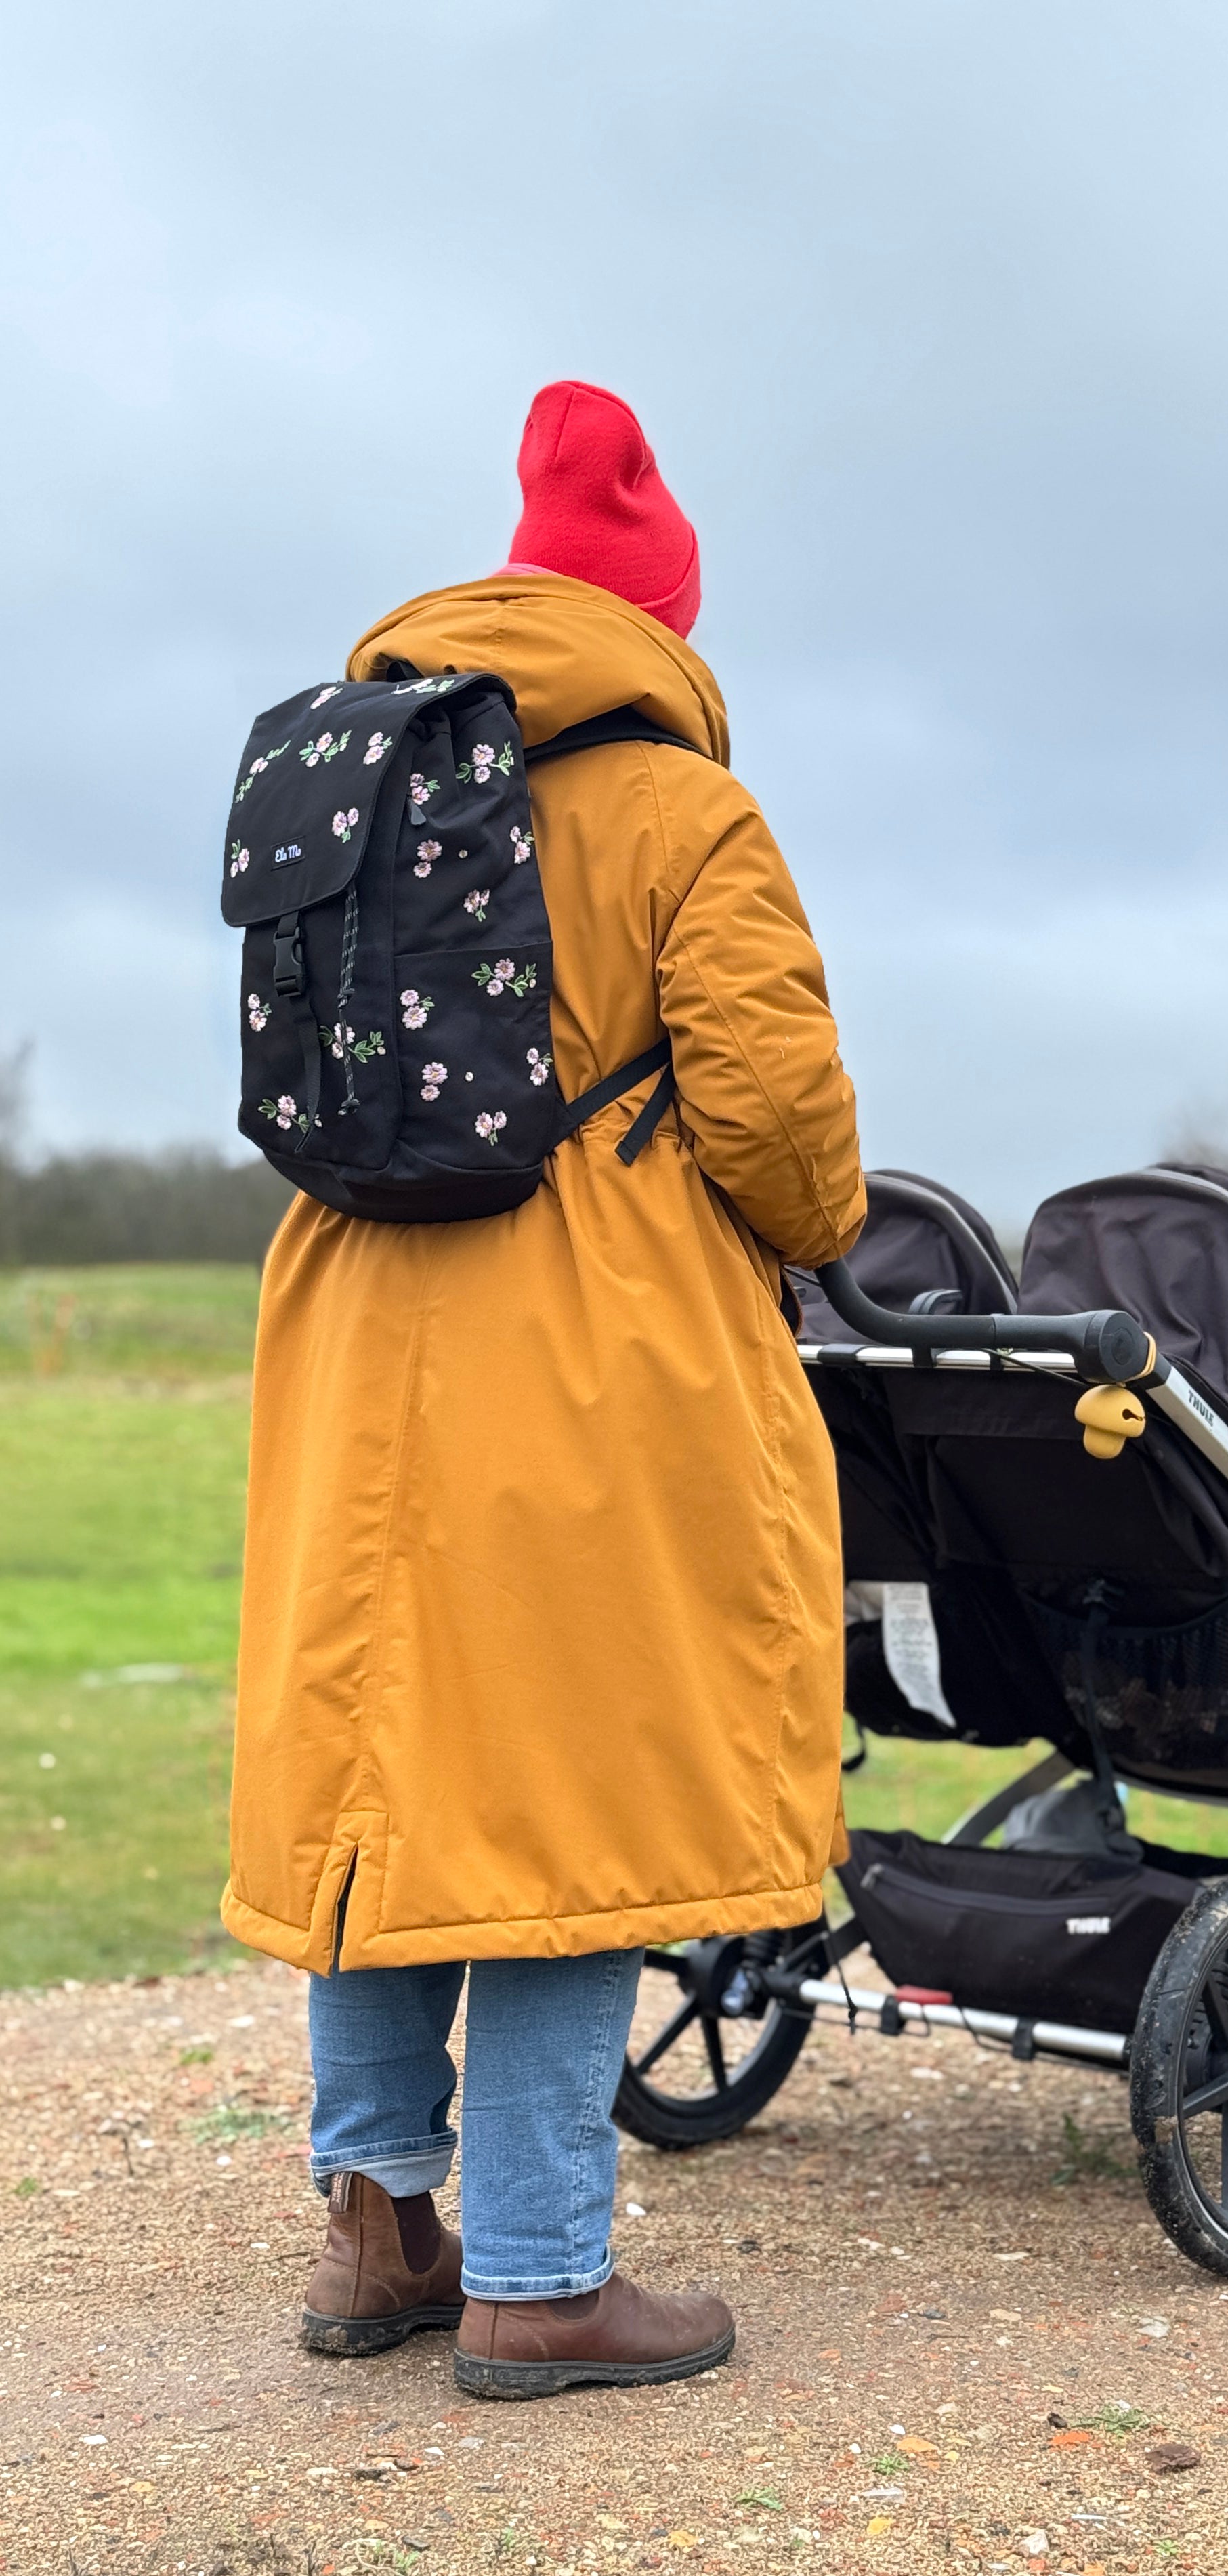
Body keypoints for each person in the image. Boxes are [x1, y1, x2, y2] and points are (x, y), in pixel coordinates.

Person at [220, 381, 865, 2399]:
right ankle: (539, 2272)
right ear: (660, 619)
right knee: (569, 1790)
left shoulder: (369, 775)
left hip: (350, 1336)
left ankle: (375, 2230)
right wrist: (806, 1223)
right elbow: (780, 1134)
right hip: (582, 1349)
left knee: (386, 1777)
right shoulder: (684, 810)